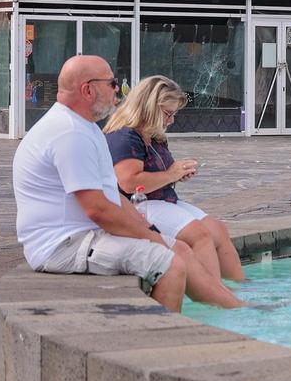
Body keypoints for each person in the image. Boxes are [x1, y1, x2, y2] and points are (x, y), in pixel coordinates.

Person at [12, 55, 245, 311]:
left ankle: (235, 309)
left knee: (180, 248)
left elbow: (113, 195)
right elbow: (98, 209)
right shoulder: (70, 133)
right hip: (64, 246)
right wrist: (150, 237)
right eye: (112, 83)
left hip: (85, 235)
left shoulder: (85, 128)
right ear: (87, 90)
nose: (118, 89)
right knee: (170, 264)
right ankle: (161, 342)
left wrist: (149, 230)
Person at [103, 76, 245, 283]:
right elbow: (129, 183)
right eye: (168, 113)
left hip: (160, 200)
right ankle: (217, 293)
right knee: (200, 236)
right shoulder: (124, 137)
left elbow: (155, 174)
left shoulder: (154, 135)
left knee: (217, 228)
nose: (171, 120)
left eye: (173, 114)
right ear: (149, 107)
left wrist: (176, 174)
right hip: (135, 206)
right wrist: (171, 174)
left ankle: (240, 287)